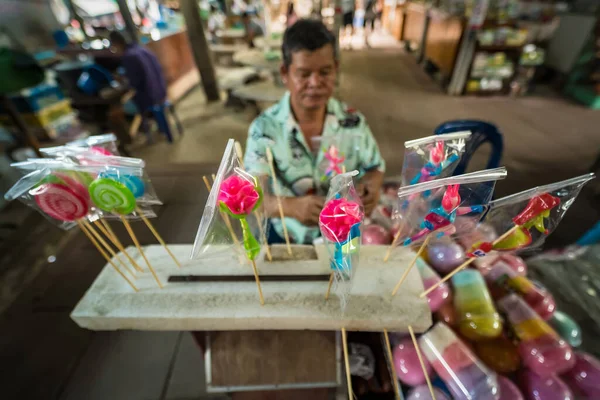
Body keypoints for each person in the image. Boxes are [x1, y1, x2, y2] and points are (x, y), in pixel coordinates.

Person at [243, 19, 385, 245]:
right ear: (284, 73)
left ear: (336, 69)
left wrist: (371, 188)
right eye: (303, 73)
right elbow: (254, 197)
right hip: (286, 236)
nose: (315, 82)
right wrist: (289, 206)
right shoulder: (264, 129)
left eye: (325, 72)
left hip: (343, 233)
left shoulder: (352, 121)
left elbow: (375, 167)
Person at [108, 31, 167, 121]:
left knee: (115, 112)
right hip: (162, 92)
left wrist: (122, 82)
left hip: (151, 98)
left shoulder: (129, 57)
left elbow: (134, 83)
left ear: (117, 44)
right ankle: (150, 123)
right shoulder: (143, 50)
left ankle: (142, 129)